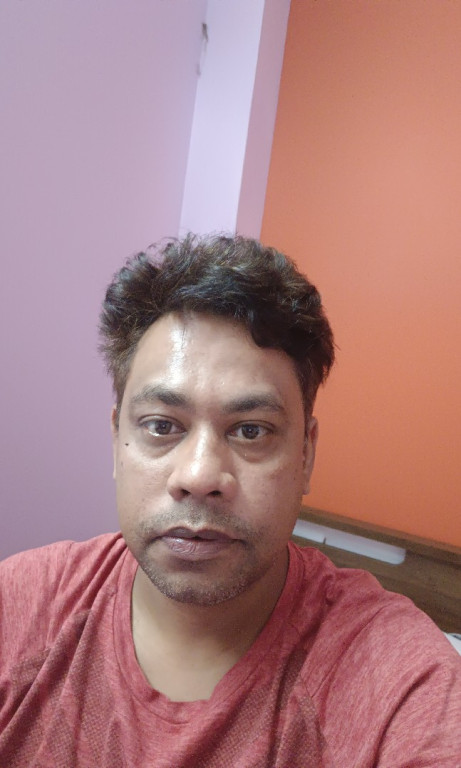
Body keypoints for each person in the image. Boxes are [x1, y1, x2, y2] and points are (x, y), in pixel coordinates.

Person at [0, 234, 459, 768]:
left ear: (306, 455)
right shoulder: (21, 609)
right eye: (161, 426)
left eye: (250, 431)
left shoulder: (400, 685)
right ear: (116, 441)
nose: (199, 476)